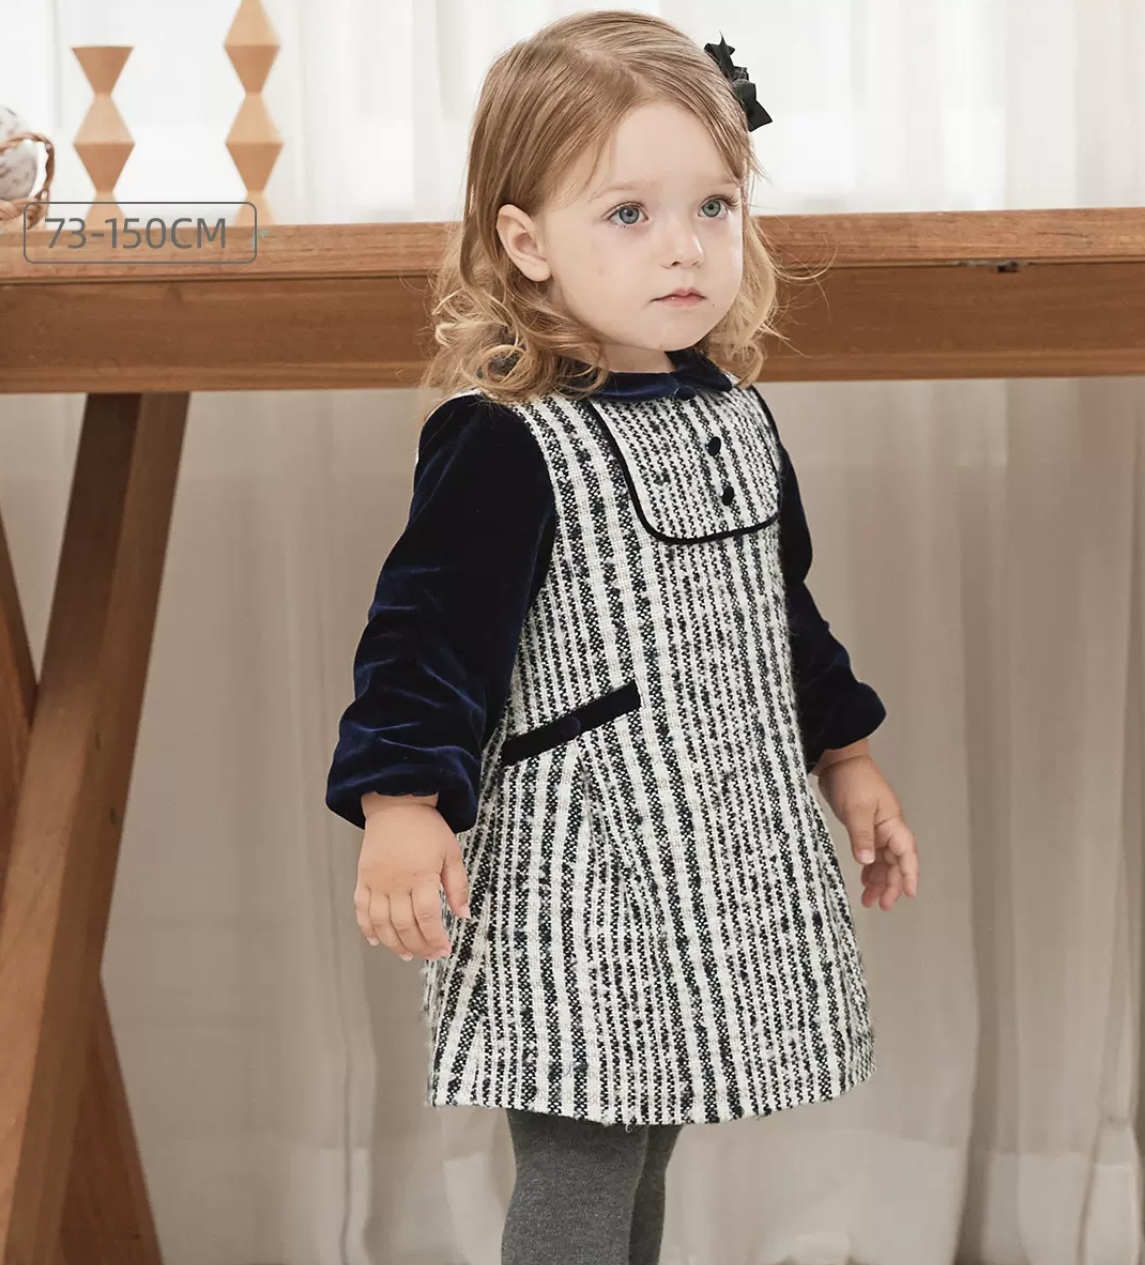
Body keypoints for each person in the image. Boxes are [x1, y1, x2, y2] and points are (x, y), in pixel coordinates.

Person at [325, 10, 919, 1264]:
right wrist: (401, 799)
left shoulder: (733, 418)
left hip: (714, 836)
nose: (684, 245)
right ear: (526, 242)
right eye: (629, 213)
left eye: (712, 206)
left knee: (649, 1126)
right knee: (585, 1141)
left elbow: (779, 613)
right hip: (587, 859)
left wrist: (848, 756)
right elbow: (423, 634)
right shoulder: (506, 438)